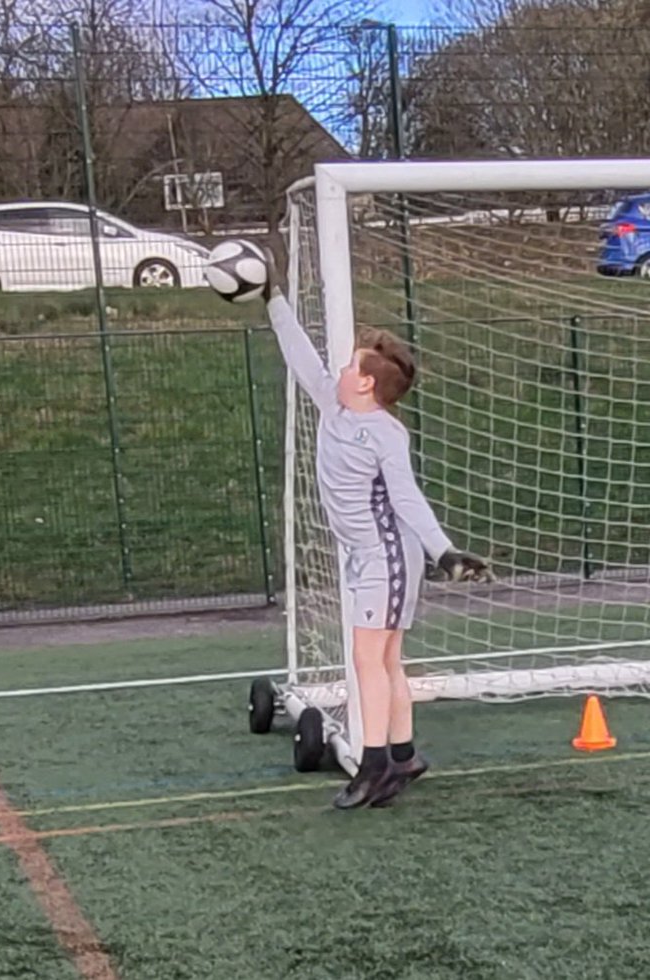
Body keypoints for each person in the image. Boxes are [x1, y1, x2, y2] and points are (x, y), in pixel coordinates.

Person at [261, 250, 493, 809]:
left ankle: (373, 769)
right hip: (370, 557)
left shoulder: (387, 435)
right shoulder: (334, 407)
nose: (338, 372)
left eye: (349, 367)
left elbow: (407, 499)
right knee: (386, 661)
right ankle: (404, 755)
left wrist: (444, 552)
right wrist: (272, 298)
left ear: (365, 383)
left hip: (387, 557)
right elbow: (300, 357)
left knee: (368, 659)